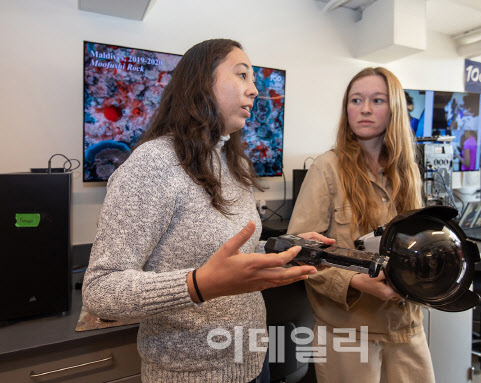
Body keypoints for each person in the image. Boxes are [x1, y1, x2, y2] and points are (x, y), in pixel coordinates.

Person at [82, 39, 332, 383]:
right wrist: (198, 285)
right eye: (242, 75)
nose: (255, 90)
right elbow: (101, 291)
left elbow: (233, 254)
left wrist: (283, 248)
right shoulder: (152, 164)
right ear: (200, 82)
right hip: (191, 375)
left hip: (252, 361)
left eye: (255, 80)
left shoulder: (233, 163)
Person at [288, 67, 435, 383]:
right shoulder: (327, 169)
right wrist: (357, 282)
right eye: (356, 100)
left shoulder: (408, 173)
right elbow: (300, 252)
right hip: (349, 331)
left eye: (377, 100)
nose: (365, 109)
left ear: (393, 108)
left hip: (405, 323)